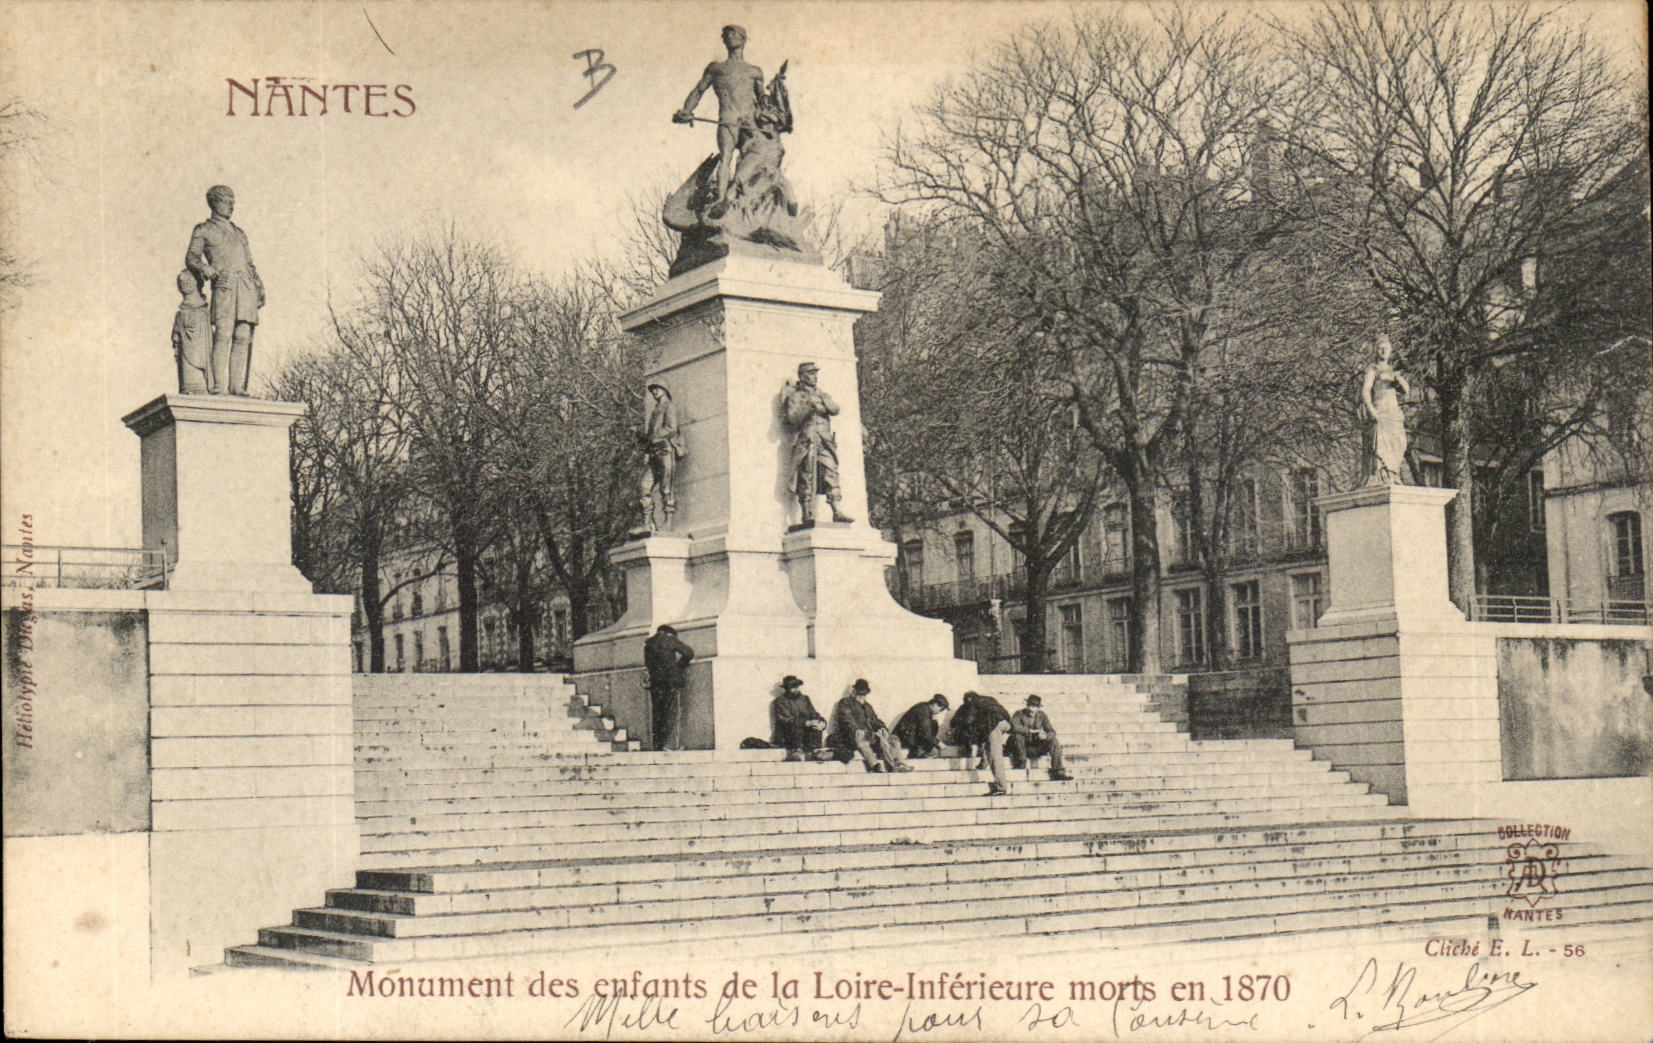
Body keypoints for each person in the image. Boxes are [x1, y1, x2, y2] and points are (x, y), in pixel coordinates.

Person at [673, 25, 765, 211]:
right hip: (727, 117)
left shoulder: (755, 71)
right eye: (726, 35)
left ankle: (746, 198)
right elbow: (699, 90)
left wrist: (770, 118)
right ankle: (721, 200)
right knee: (726, 157)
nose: (729, 37)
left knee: (755, 158)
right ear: (723, 41)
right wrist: (687, 110)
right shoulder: (716, 69)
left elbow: (763, 101)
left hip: (750, 120)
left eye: (733, 34)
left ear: (743, 39)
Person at [184, 185, 264, 396]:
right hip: (225, 285)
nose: (231, 206)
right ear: (214, 202)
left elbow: (250, 263)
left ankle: (237, 386)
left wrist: (258, 286)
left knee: (243, 335)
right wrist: (204, 268)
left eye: (232, 202)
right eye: (226, 201)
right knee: (223, 333)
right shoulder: (203, 230)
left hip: (245, 285)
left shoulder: (239, 233)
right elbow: (192, 257)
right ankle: (219, 384)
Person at [782, 362, 853, 526]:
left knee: (831, 473)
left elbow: (835, 409)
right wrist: (809, 407)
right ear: (803, 376)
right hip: (808, 440)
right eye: (811, 374)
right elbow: (793, 419)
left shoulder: (822, 394)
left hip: (825, 441)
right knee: (807, 476)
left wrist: (822, 401)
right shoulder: (797, 396)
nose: (815, 377)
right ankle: (808, 514)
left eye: (816, 374)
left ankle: (836, 510)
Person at [827, 679, 912, 773]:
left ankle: (898, 763)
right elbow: (847, 720)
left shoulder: (868, 707)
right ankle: (874, 765)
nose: (862, 697)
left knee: (893, 739)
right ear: (854, 692)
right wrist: (856, 730)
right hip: (852, 736)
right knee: (861, 740)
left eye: (864, 695)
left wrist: (882, 728)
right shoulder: (845, 703)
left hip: (870, 735)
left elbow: (875, 720)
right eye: (860, 694)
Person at [1360, 333, 1411, 486]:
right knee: (1382, 444)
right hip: (1380, 410)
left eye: (1385, 348)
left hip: (1393, 412)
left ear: (1390, 350)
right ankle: (1382, 475)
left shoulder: (1393, 371)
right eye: (1380, 348)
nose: (1383, 351)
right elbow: (1365, 390)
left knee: (1399, 442)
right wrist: (1371, 410)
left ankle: (1394, 474)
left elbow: (1406, 391)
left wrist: (1399, 380)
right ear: (1376, 351)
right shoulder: (1373, 369)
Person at [638, 381, 685, 532]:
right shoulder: (655, 410)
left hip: (665, 450)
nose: (654, 392)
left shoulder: (668, 406)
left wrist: (654, 437)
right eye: (652, 390)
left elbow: (671, 428)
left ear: (665, 389)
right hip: (653, 453)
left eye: (657, 388)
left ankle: (668, 522)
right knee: (644, 486)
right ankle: (647, 523)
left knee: (666, 488)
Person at [949, 690, 1013, 796]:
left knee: (995, 756)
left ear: (968, 699)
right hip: (1005, 723)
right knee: (988, 743)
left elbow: (968, 721)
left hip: (994, 725)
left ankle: (1001, 787)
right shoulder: (989, 699)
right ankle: (983, 763)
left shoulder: (971, 705)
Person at [642, 624, 695, 751]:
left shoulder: (648, 643)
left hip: (655, 682)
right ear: (669, 633)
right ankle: (670, 744)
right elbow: (689, 653)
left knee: (658, 713)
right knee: (671, 713)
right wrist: (679, 666)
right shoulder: (670, 640)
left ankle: (658, 745)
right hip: (671, 681)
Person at [1008, 694, 1073, 781]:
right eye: (1030, 705)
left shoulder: (1042, 715)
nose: (1031, 709)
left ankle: (1058, 771)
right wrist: (1030, 731)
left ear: (1038, 708)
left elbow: (1052, 731)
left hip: (1035, 746)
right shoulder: (1019, 714)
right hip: (1021, 747)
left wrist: (1045, 736)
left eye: (1035, 706)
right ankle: (1021, 763)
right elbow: (1013, 727)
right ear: (1026, 705)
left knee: (1053, 741)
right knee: (1017, 736)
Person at [171, 270, 211, 394]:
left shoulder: (204, 313)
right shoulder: (180, 313)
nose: (184, 284)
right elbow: (176, 337)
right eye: (181, 282)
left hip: (201, 354)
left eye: (188, 281)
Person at [770, 675, 827, 761]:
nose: (795, 689)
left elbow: (814, 713)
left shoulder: (804, 699)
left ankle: (815, 751)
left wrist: (821, 722)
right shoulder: (780, 701)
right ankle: (797, 752)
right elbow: (786, 720)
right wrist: (805, 723)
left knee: (816, 726)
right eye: (792, 687)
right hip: (788, 733)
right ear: (786, 688)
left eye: (796, 686)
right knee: (795, 725)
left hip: (805, 732)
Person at [892, 693, 949, 759]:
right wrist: (938, 743)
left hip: (909, 735)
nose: (939, 712)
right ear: (935, 705)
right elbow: (926, 733)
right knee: (933, 725)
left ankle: (920, 752)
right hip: (903, 737)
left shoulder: (924, 708)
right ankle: (920, 752)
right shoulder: (923, 711)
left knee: (933, 723)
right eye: (940, 709)